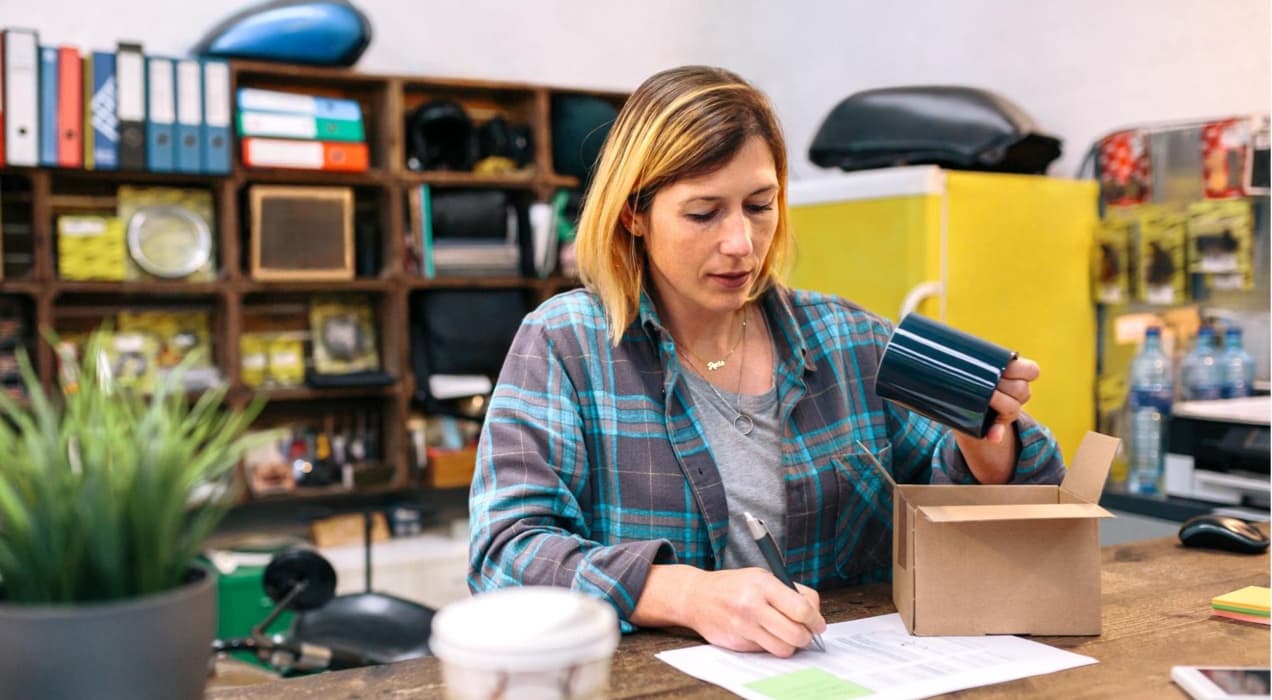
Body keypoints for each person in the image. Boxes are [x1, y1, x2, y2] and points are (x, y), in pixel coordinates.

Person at [468, 65, 1065, 657]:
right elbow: (503, 553)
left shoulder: (846, 338)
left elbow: (1018, 507)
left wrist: (988, 444)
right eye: (703, 213)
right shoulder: (566, 343)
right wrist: (685, 595)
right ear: (633, 214)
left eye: (760, 205)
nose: (740, 243)